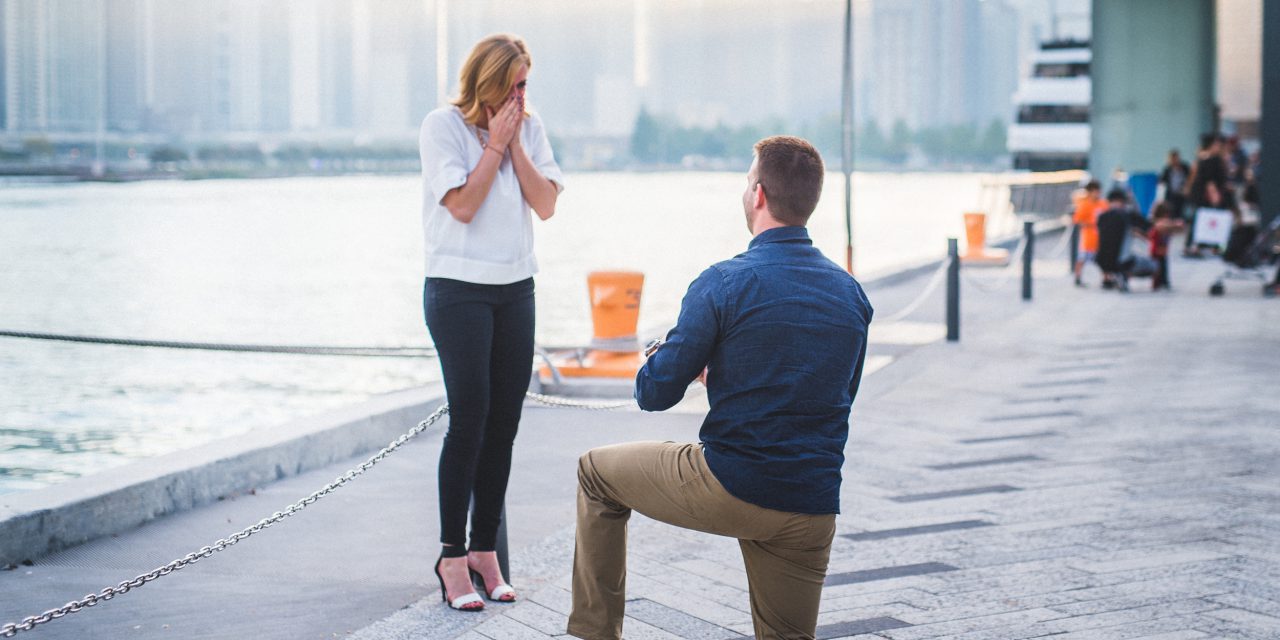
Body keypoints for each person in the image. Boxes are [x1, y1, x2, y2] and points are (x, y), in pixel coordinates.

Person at [567, 136, 873, 640]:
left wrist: (668, 361)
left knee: (595, 473)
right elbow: (834, 392)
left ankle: (595, 634)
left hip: (732, 483)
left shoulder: (724, 281)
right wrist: (729, 373)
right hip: (811, 503)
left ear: (757, 194)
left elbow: (654, 394)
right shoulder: (850, 293)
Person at [418, 33, 564, 612]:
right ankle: (452, 558)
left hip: (515, 289)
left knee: (504, 423)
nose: (523, 95)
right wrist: (493, 147)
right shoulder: (442, 127)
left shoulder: (530, 128)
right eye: (515, 84)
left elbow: (547, 205)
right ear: (490, 81)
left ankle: (486, 553)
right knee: (469, 420)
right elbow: (462, 205)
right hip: (457, 291)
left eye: (527, 84)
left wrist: (515, 144)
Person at [1095, 189, 1154, 292]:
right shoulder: (1127, 215)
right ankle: (1123, 276)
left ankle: (1108, 278)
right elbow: (1148, 226)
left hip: (1101, 260)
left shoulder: (1101, 217)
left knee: (1108, 251)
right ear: (1122, 201)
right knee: (1154, 265)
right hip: (1122, 261)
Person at [1184, 133, 1230, 255]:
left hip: (1202, 194)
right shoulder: (1211, 159)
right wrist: (1214, 195)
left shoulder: (1204, 158)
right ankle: (1198, 245)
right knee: (1202, 219)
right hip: (1205, 195)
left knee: (1201, 219)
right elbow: (1210, 180)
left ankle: (1198, 245)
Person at [1072, 180, 1106, 286]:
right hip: (1088, 239)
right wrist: (1091, 224)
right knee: (1082, 259)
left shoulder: (1103, 203)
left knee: (1102, 259)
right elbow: (1077, 220)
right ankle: (1077, 277)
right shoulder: (1084, 204)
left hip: (1101, 238)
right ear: (1090, 192)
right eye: (1095, 191)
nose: (1097, 193)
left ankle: (1106, 278)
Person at [1147, 201, 1184, 291]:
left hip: (1163, 250)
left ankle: (1164, 282)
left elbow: (1177, 229)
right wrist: (1175, 224)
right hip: (1156, 251)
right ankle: (1157, 283)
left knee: (1163, 267)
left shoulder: (1165, 224)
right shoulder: (1159, 223)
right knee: (1158, 268)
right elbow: (1164, 225)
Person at [1158, 149, 1190, 220]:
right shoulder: (1167, 169)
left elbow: (1190, 178)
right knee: (1171, 212)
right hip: (1171, 195)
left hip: (1182, 194)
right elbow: (1161, 182)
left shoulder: (1185, 168)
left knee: (1182, 212)